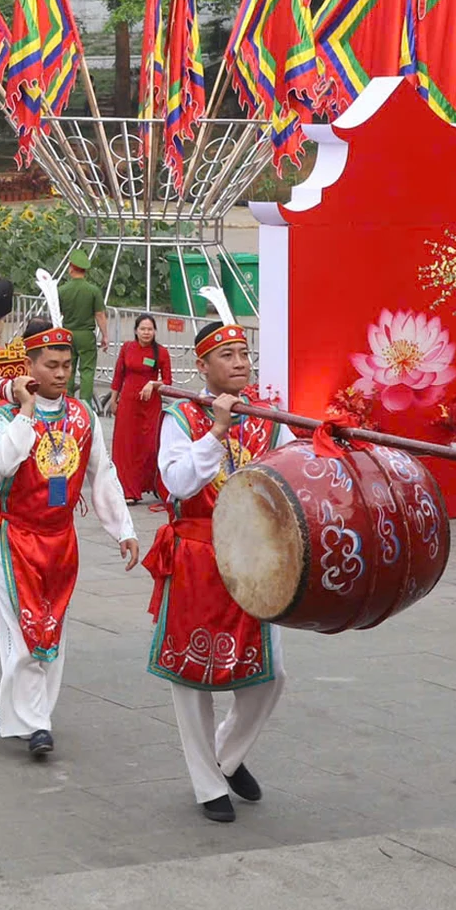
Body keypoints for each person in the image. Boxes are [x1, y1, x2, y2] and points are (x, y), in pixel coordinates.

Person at [0, 296, 140, 757]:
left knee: (52, 630)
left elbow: (101, 473)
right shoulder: (3, 417)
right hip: (11, 538)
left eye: (67, 365)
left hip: (60, 539)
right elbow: (3, 462)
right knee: (25, 633)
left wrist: (123, 530)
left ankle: (36, 718)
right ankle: (35, 724)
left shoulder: (83, 416)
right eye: (50, 365)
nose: (61, 373)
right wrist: (27, 410)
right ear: (28, 365)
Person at [151, 317, 286, 822]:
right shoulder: (181, 417)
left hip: (255, 563)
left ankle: (226, 758)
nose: (240, 363)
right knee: (190, 677)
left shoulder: (269, 419)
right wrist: (216, 432)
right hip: (197, 558)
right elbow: (178, 483)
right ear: (202, 366)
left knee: (270, 676)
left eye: (244, 354)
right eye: (226, 356)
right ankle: (207, 783)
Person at [109, 315, 171, 502]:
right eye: (143, 329)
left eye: (150, 329)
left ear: (155, 332)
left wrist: (153, 383)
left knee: (150, 444)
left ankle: (153, 484)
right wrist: (113, 399)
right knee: (126, 445)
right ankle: (128, 490)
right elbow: (118, 375)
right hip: (128, 402)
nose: (146, 333)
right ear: (136, 330)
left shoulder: (161, 352)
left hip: (151, 405)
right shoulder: (127, 348)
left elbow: (168, 381)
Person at [59, 255, 109, 404]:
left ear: (72, 267)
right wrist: (105, 335)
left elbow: (59, 312)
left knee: (68, 367)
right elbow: (100, 314)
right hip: (86, 335)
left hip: (67, 334)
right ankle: (85, 403)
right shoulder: (93, 290)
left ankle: (67, 400)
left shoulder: (62, 290)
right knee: (87, 370)